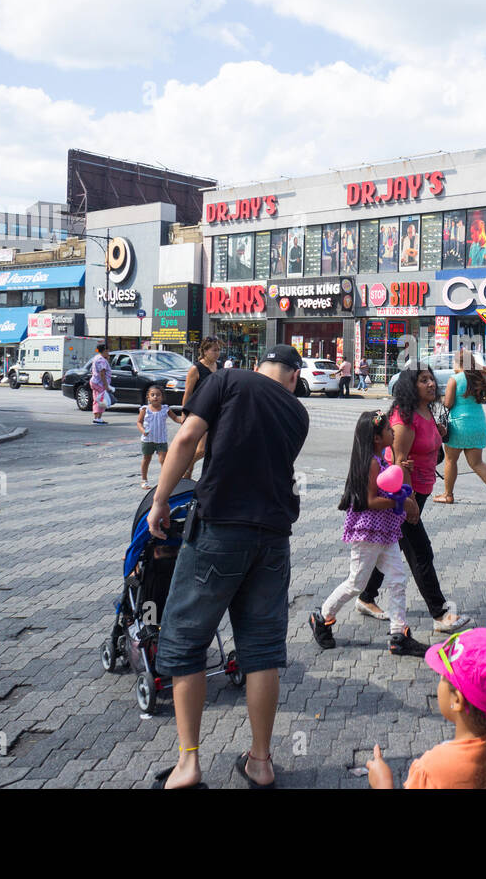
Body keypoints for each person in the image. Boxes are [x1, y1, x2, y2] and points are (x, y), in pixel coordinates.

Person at [147, 344, 309, 790]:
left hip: (220, 529)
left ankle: (188, 764)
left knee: (186, 639)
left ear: (259, 368)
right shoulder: (298, 414)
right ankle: (260, 762)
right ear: (293, 377)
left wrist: (160, 500)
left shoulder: (227, 380)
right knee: (261, 652)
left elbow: (185, 439)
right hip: (273, 538)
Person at [356, 367, 472, 633]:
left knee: (390, 544)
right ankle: (440, 613)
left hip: (421, 490)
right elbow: (398, 464)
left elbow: (426, 448)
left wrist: (438, 433)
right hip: (404, 494)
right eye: (424, 380)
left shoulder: (425, 410)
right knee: (420, 551)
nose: (432, 383)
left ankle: (365, 596)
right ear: (411, 386)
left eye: (432, 379)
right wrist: (407, 503)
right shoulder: (403, 419)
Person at [309, 410, 427, 657]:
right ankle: (322, 617)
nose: (393, 431)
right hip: (369, 531)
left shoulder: (380, 459)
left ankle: (398, 635)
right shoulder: (372, 462)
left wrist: (399, 477)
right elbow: (371, 500)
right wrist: (400, 502)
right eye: (387, 430)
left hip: (385, 531)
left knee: (397, 580)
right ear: (376, 437)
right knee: (356, 583)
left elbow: (388, 485)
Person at [366, 628, 486, 789]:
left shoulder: (433, 768)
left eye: (443, 676)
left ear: (457, 700)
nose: (440, 680)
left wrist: (383, 783)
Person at [435, 350, 486, 508]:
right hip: (478, 424)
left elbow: (448, 404)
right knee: (477, 463)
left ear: (458, 363)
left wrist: (444, 398)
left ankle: (448, 495)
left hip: (459, 425)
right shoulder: (478, 377)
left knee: (451, 460)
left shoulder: (455, 379)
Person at [181, 337, 222, 480]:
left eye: (218, 350)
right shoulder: (196, 369)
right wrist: (184, 414)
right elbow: (188, 392)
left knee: (212, 449)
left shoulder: (220, 367)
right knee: (202, 449)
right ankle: (183, 467)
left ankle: (187, 475)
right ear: (204, 351)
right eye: (214, 350)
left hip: (217, 412)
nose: (217, 353)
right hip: (200, 412)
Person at [136, 385, 183, 488]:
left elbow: (175, 418)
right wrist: (143, 431)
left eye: (158, 395)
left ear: (162, 397)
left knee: (163, 460)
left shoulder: (165, 409)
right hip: (148, 440)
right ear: (148, 397)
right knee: (146, 459)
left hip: (161, 440)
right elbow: (139, 422)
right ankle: (144, 480)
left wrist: (182, 421)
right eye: (152, 395)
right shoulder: (145, 409)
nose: (155, 397)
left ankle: (164, 481)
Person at [89, 343, 112, 426]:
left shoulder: (97, 358)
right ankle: (98, 418)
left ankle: (96, 418)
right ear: (105, 350)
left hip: (94, 381)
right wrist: (106, 385)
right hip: (100, 383)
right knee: (101, 400)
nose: (109, 352)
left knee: (96, 400)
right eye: (108, 350)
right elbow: (102, 374)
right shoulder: (101, 360)